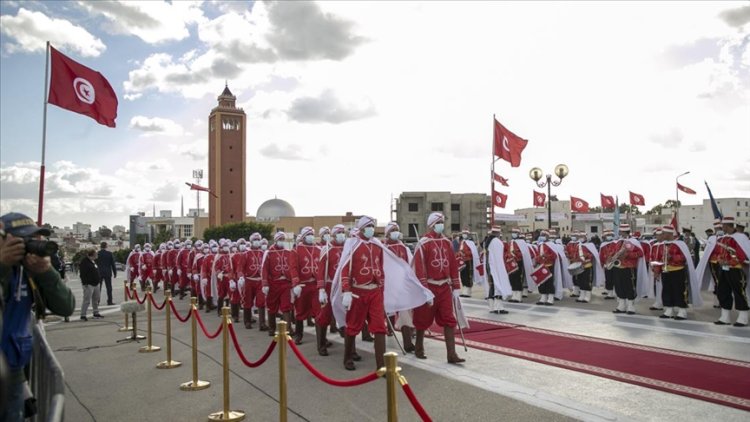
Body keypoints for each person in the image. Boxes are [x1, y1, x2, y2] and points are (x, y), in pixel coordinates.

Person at [0, 213, 75, 422]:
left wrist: (46, 272)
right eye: (24, 241)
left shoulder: (28, 271)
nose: (31, 246)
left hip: (14, 373)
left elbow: (66, 306)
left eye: (35, 240)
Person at [412, 212, 465, 364]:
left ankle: (451, 354)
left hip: (445, 287)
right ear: (432, 225)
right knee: (422, 318)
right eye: (439, 222)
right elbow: (419, 268)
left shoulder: (447, 242)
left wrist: (456, 286)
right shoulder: (423, 243)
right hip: (429, 286)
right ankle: (419, 348)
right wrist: (424, 289)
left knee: (449, 319)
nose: (442, 224)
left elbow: (453, 265)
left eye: (442, 222)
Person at [651, 225, 702, 320]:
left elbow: (684, 258)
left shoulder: (679, 244)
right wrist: (657, 271)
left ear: (669, 234)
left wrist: (673, 257)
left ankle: (682, 311)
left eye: (663, 233)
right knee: (666, 290)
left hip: (678, 271)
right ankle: (669, 309)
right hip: (665, 271)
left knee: (679, 290)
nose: (662, 235)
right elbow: (658, 259)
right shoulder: (662, 245)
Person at [712, 217, 750, 326]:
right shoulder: (722, 238)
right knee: (722, 291)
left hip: (737, 269)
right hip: (723, 269)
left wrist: (729, 262)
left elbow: (742, 255)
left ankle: (743, 317)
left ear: (727, 226)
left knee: (739, 292)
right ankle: (725, 317)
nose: (721, 228)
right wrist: (719, 259)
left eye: (722, 226)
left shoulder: (740, 238)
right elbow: (717, 252)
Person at [261, 232, 300, 337]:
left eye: (283, 239)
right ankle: (272, 328)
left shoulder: (288, 252)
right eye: (280, 239)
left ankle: (288, 329)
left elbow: (293, 267)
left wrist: (294, 282)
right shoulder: (269, 253)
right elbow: (264, 269)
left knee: (286, 306)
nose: (282, 240)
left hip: (286, 283)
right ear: (275, 240)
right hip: (273, 283)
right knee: (272, 306)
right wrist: (265, 283)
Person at [609, 224, 650, 315]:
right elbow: (614, 252)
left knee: (629, 287)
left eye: (621, 231)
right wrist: (611, 256)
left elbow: (640, 253)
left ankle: (631, 306)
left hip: (629, 268)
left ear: (624, 232)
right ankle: (621, 305)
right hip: (618, 267)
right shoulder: (619, 242)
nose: (619, 233)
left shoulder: (633, 242)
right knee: (619, 286)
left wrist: (628, 255)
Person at [292, 227, 320, 345]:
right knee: (300, 311)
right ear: (303, 237)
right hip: (303, 285)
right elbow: (293, 267)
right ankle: (299, 334)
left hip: (315, 285)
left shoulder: (318, 249)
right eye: (309, 235)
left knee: (319, 312)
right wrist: (296, 283)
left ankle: (321, 339)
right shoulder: (296, 250)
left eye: (312, 234)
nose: (311, 237)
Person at [79, 248, 103, 320]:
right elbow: (82, 274)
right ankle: (83, 315)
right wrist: (85, 283)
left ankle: (96, 312)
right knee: (87, 300)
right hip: (88, 284)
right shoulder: (84, 262)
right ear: (92, 255)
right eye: (96, 254)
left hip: (96, 283)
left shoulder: (93, 261)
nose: (97, 255)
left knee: (96, 299)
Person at [97, 241, 117, 305]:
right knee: (109, 287)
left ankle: (97, 301)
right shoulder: (109, 254)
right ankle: (109, 301)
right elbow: (112, 264)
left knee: (98, 288)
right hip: (107, 272)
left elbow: (95, 264)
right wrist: (115, 272)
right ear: (106, 246)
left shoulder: (97, 254)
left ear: (100, 246)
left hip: (99, 272)